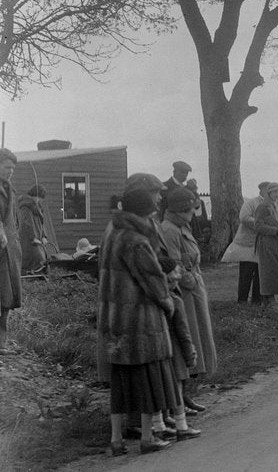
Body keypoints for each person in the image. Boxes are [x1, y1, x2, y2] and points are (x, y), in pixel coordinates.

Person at [97, 173, 177, 456]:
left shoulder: (112, 231)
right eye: (152, 210)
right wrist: (167, 301)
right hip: (139, 319)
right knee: (147, 379)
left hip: (114, 317)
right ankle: (147, 437)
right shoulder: (137, 240)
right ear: (144, 212)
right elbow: (152, 279)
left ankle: (116, 440)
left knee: (120, 382)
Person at [160, 187, 217, 413]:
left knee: (196, 341)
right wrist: (190, 281)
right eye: (190, 209)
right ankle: (180, 397)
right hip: (183, 294)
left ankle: (186, 394)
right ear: (181, 209)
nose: (194, 212)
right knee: (186, 341)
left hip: (193, 292)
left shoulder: (182, 227)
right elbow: (173, 265)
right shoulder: (169, 230)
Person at [156, 256, 202, 441]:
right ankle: (182, 426)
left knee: (160, 387)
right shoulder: (175, 300)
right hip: (175, 350)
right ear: (168, 275)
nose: (179, 274)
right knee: (177, 387)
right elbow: (183, 331)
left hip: (158, 350)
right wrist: (190, 353)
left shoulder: (154, 298)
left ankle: (160, 424)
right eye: (176, 271)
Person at [221, 182, 269, 304]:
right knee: (246, 272)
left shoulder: (272, 204)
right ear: (261, 190)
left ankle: (256, 300)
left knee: (260, 273)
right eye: (267, 189)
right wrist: (260, 224)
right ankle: (242, 300)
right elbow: (244, 217)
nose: (270, 192)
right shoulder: (251, 203)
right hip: (248, 243)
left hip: (262, 244)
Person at [254, 183, 278, 313]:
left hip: (277, 243)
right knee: (269, 272)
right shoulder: (262, 207)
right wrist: (275, 231)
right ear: (269, 193)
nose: (277, 195)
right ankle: (270, 303)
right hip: (266, 244)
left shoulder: (275, 206)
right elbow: (258, 226)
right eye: (275, 192)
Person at [0, 148, 22, 355]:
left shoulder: (10, 190)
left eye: (13, 168)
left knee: (6, 298)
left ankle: (2, 343)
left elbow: (14, 221)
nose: (11, 171)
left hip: (9, 251)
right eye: (7, 167)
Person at [18, 184, 48, 274]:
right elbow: (27, 223)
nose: (40, 200)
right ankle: (29, 277)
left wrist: (44, 236)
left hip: (38, 238)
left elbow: (42, 223)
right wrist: (33, 237)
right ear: (34, 195)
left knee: (42, 260)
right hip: (28, 238)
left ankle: (37, 277)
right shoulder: (25, 206)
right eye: (39, 197)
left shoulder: (38, 207)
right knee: (37, 258)